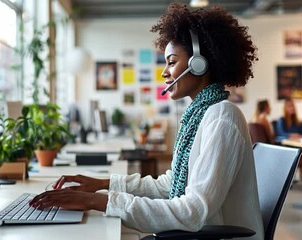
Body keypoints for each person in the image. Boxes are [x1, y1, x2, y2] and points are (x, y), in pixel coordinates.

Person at [30, 3, 263, 239]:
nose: (164, 72)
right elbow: (168, 186)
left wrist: (96, 201)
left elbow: (194, 211)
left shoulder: (222, 117)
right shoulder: (201, 114)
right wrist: (102, 184)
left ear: (199, 63)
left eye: (171, 62)